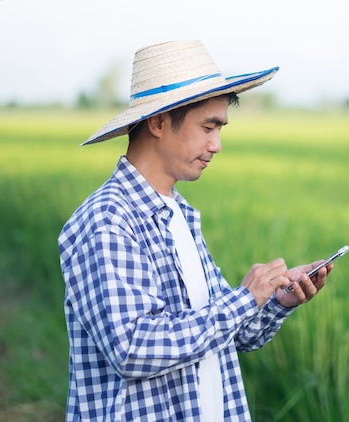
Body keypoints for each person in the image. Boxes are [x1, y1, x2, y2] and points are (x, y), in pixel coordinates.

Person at [58, 40, 334, 421]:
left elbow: (228, 333)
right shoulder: (107, 219)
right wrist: (242, 299)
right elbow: (133, 348)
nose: (217, 145)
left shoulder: (180, 215)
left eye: (220, 129)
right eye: (208, 127)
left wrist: (276, 300)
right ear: (157, 122)